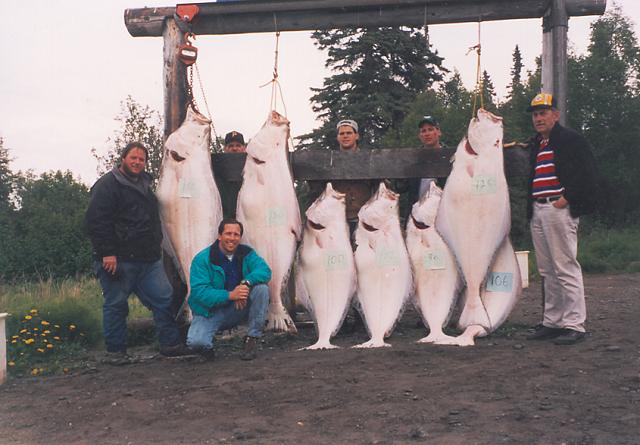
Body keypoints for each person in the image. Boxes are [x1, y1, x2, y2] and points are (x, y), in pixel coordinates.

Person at [85, 141, 192, 365]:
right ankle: (116, 352)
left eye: (141, 159)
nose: (137, 162)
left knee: (163, 298)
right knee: (116, 304)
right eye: (133, 158)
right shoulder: (107, 185)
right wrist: (107, 253)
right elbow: (96, 222)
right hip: (118, 259)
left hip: (148, 259)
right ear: (123, 158)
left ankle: (170, 344)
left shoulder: (146, 183)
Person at [524, 93, 598, 345]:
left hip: (558, 208)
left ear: (556, 115)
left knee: (565, 266)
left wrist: (566, 199)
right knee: (547, 270)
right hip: (538, 210)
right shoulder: (537, 143)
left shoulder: (571, 140)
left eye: (543, 113)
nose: (538, 118)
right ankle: (552, 322)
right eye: (535, 114)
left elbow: (587, 173)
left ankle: (575, 324)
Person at [186, 218, 271, 361]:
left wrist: (245, 283)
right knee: (196, 343)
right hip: (209, 312)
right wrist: (230, 295)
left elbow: (264, 270)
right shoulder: (202, 259)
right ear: (219, 236)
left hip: (238, 307)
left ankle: (252, 338)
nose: (232, 238)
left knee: (261, 289)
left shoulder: (247, 253)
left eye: (236, 234)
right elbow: (200, 293)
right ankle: (207, 349)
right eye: (228, 234)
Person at [309, 119, 374, 239]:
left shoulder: (369, 160)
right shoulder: (328, 162)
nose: (345, 136)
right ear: (337, 137)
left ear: (357, 136)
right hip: (336, 220)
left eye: (349, 133)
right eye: (342, 134)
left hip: (363, 220)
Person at [218, 131, 246, 218]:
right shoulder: (217, 165)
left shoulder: (251, 167)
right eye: (230, 146)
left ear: (244, 148)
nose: (234, 148)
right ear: (225, 149)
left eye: (238, 145)